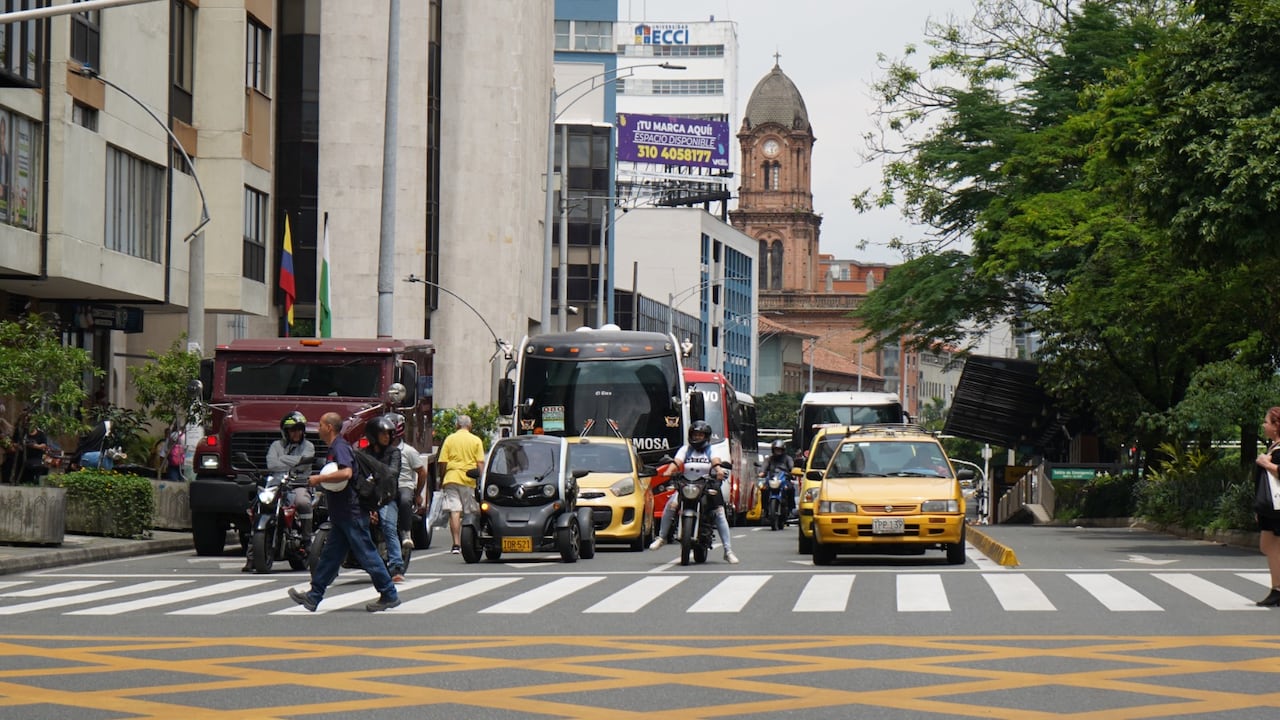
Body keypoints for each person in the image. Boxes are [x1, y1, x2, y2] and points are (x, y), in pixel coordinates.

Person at [289, 411, 400, 613]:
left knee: (367, 555)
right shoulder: (335, 446)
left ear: (329, 427)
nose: (318, 428)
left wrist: (318, 480)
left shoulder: (340, 447)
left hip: (352, 512)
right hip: (342, 514)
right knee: (330, 558)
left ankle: (389, 593)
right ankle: (314, 597)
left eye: (321, 424)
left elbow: (346, 472)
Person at [649, 420, 740, 564]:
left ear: (706, 436)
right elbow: (676, 462)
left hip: (706, 485)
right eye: (695, 434)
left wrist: (719, 470)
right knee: (671, 505)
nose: (697, 437)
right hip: (686, 484)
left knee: (719, 513)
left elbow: (716, 461)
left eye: (700, 435)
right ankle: (661, 537)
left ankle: (727, 551)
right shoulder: (685, 449)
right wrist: (668, 471)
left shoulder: (711, 450)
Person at [364, 415, 405, 581]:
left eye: (389, 434)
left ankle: (396, 566)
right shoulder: (363, 453)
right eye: (383, 434)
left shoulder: (394, 453)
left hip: (386, 497)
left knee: (388, 526)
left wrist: (377, 473)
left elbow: (393, 472)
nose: (387, 437)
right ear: (373, 435)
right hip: (366, 496)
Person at [436, 414, 485, 554]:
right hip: (469, 479)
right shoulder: (476, 440)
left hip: (451, 478)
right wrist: (481, 479)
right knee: (470, 511)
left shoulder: (450, 439)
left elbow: (443, 462)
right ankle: (469, 540)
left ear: (457, 425)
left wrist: (442, 477)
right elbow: (480, 462)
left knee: (454, 511)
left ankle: (456, 544)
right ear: (470, 426)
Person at [265, 411, 316, 538]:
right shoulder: (276, 445)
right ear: (285, 431)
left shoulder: (308, 446)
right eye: (292, 430)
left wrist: (282, 458)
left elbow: (304, 464)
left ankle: (306, 538)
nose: (296, 433)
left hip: (299, 484)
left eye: (299, 430)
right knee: (260, 502)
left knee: (303, 502)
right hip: (277, 484)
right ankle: (255, 541)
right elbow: (271, 464)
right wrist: (295, 461)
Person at [386, 413, 429, 556]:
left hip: (403, 485)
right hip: (384, 486)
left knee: (405, 500)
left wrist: (417, 494)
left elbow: (422, 473)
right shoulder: (378, 451)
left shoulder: (409, 451)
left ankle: (406, 533)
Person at [1254, 406, 1280, 606]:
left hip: (1277, 507)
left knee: (1271, 547)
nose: (1264, 425)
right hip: (1272, 507)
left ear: (1276, 426)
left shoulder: (1278, 450)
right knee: (1268, 546)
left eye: (1267, 422)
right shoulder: (1274, 447)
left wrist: (1266, 463)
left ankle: (1277, 589)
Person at [760, 439, 796, 515]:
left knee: (791, 489)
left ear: (783, 450)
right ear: (773, 450)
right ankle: (764, 508)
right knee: (764, 489)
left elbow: (792, 467)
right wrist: (762, 472)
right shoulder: (769, 459)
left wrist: (793, 473)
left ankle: (791, 508)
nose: (778, 451)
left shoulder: (788, 458)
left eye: (779, 449)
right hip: (771, 479)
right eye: (776, 449)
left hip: (784, 479)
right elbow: (764, 467)